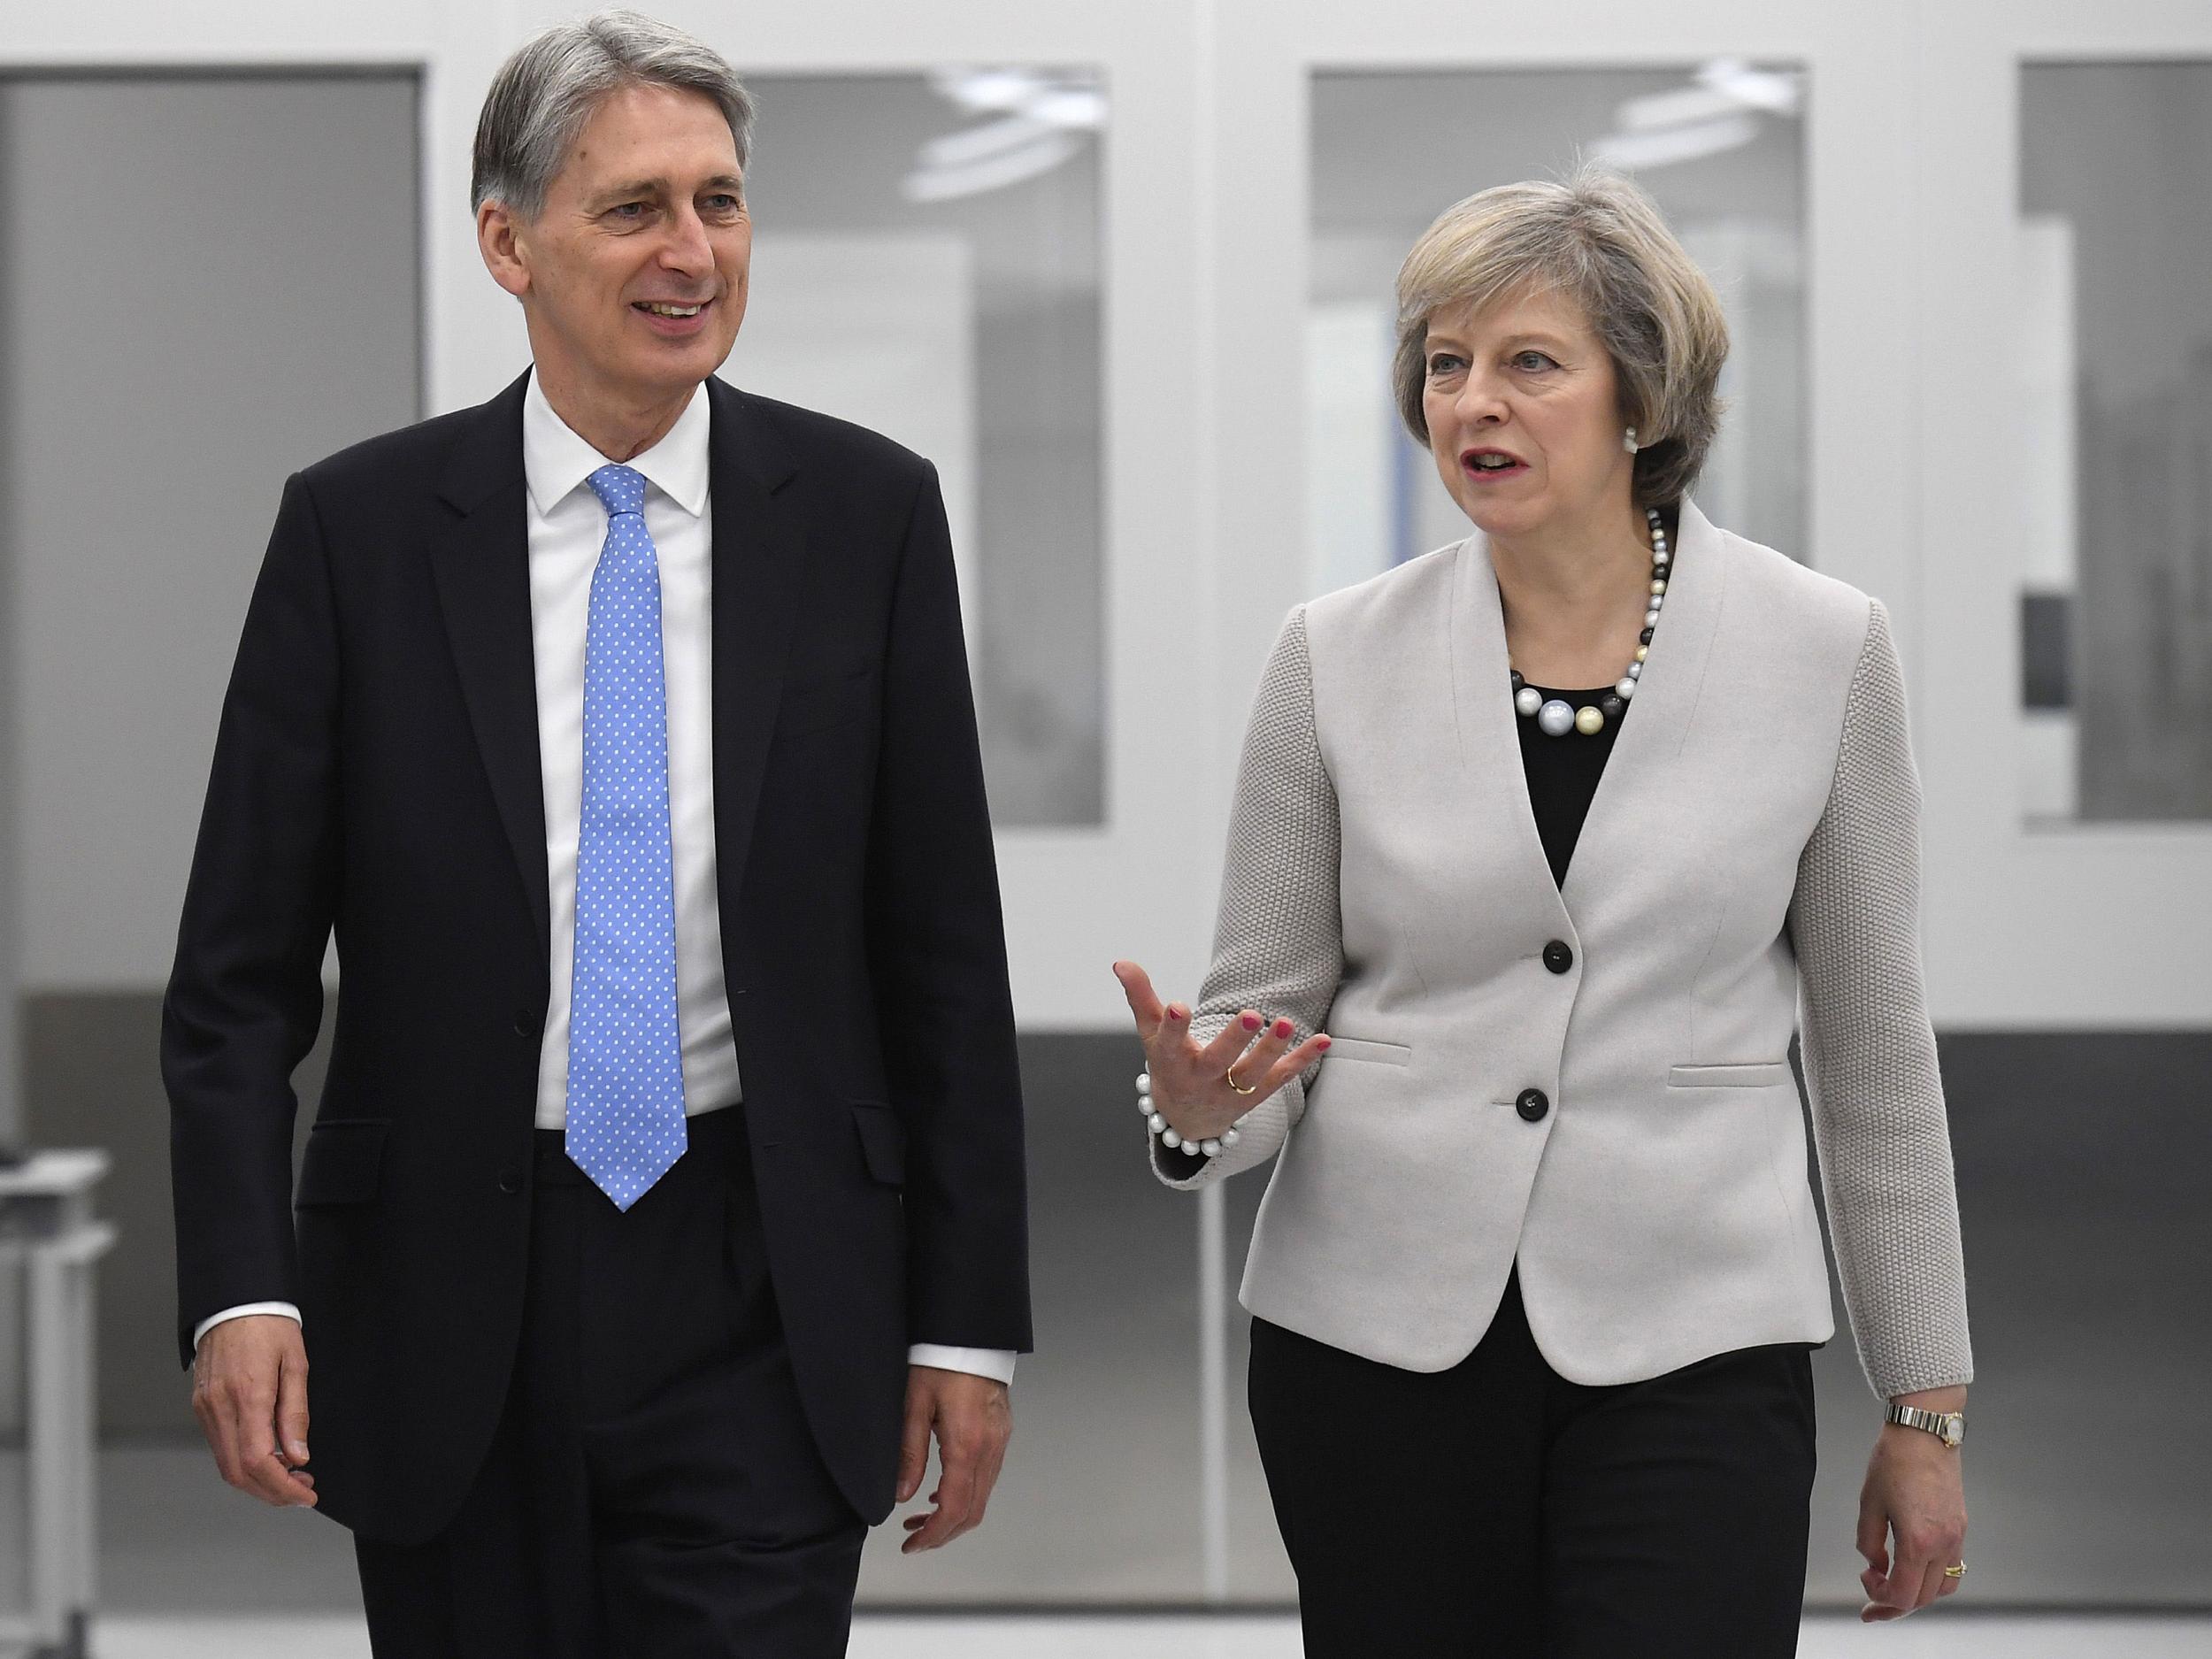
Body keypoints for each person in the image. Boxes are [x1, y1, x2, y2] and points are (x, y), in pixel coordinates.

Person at [164, 12, 1029, 1655]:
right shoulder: (356, 532)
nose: (691, 250)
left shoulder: (866, 516)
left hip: (764, 1270)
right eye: (635, 207)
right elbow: (236, 977)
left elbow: (940, 953)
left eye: (720, 200)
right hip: (443, 1276)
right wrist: (241, 1282)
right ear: (509, 241)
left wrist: (969, 1325)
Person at [1114, 164, 1971, 1655]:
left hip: (1697, 1341)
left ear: (1640, 396)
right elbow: (1260, 1031)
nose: (1473, 406)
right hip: (1374, 1349)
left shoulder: (1824, 651)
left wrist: (1927, 1403)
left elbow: (1875, 1058)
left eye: (1527, 364)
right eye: (1445, 366)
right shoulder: (1332, 657)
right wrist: (1198, 1110)